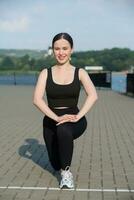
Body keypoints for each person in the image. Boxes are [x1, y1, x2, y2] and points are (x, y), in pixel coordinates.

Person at [33, 32, 98, 189]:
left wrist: (78, 116)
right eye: (57, 49)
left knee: (63, 131)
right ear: (53, 50)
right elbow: (37, 100)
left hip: (74, 118)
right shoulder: (45, 73)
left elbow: (93, 95)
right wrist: (56, 118)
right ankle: (61, 166)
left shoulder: (80, 72)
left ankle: (66, 174)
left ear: (71, 50)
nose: (61, 52)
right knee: (55, 163)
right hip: (51, 119)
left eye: (64, 48)